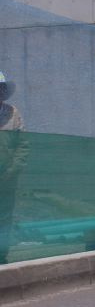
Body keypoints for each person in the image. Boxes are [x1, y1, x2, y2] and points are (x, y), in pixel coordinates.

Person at [0, 71, 27, 264]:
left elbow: (23, 145)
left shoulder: (13, 113)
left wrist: (12, 170)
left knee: (4, 218)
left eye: (0, 89)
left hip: (7, 179)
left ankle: (1, 255)